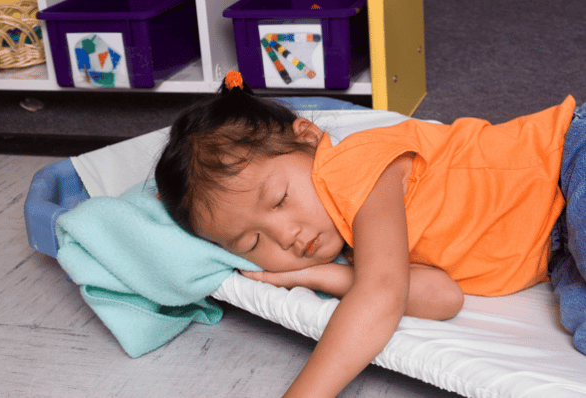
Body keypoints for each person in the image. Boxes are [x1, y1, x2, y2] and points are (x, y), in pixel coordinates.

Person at [155, 70, 584, 397]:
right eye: (252, 243)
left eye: (280, 199)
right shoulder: (355, 243)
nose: (285, 235)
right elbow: (442, 296)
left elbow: (382, 295)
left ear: (310, 138)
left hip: (568, 159)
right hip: (556, 248)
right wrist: (327, 277)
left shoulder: (353, 169)